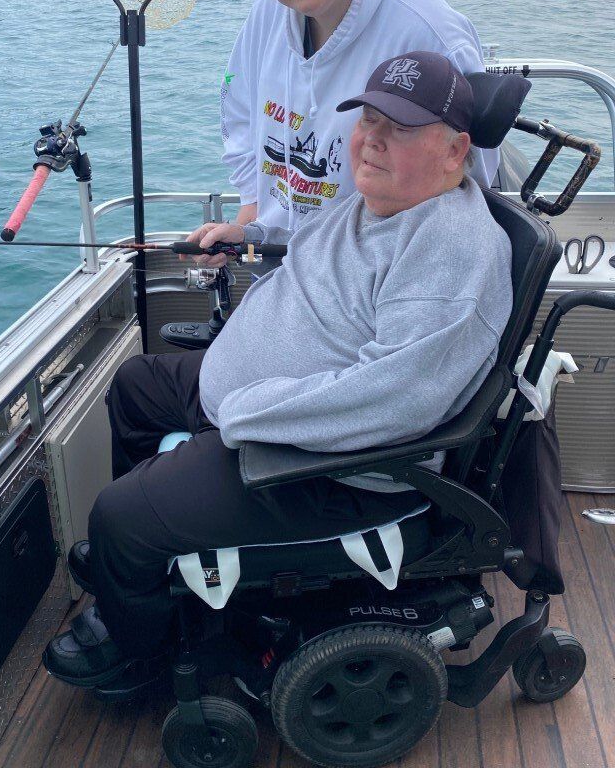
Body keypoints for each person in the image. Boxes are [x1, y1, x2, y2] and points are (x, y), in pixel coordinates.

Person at [43, 51, 512, 690]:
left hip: (336, 466)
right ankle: (147, 568)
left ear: (457, 151)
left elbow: (399, 399)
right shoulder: (382, 198)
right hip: (253, 406)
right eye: (367, 117)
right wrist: (252, 233)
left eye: (399, 128)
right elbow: (310, 250)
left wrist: (245, 413)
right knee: (136, 386)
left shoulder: (452, 252)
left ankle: (135, 647)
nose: (371, 140)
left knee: (120, 516)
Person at [189, 0, 496, 268]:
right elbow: (238, 111)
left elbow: (470, 173)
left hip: (380, 271)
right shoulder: (265, 14)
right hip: (281, 263)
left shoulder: (428, 32)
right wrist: (252, 213)